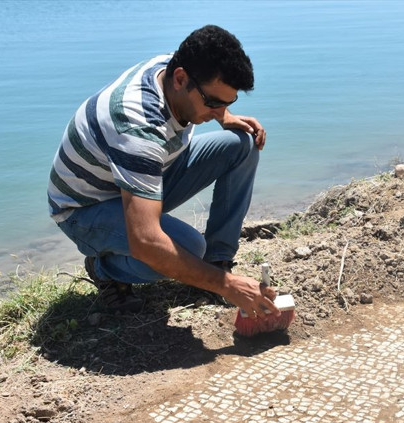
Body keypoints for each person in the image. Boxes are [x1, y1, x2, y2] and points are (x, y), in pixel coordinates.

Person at [47, 25, 279, 320]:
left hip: (140, 174)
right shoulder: (138, 127)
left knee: (241, 144)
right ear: (181, 79)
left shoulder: (178, 69)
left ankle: (216, 261)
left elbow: (206, 95)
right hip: (86, 208)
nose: (218, 109)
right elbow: (146, 242)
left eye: (228, 101)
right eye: (213, 102)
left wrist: (224, 115)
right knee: (188, 248)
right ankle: (104, 268)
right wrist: (227, 287)